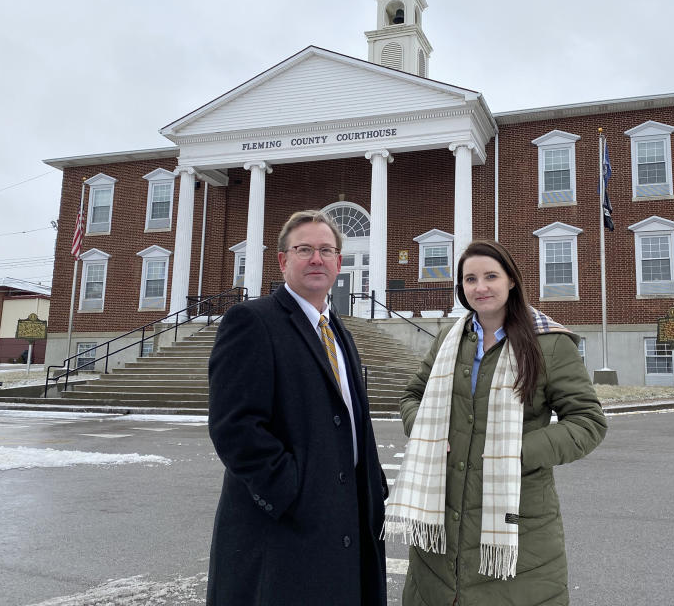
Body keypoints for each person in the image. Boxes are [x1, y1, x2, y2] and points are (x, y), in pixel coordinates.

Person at [386, 240, 607, 605]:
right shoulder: (449, 339)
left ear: (511, 281)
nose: (480, 287)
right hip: (441, 522)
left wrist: (515, 452)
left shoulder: (549, 343)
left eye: (491, 276)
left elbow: (588, 422)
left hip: (520, 522)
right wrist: (426, 433)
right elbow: (413, 397)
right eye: (470, 279)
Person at [207, 210, 388, 606]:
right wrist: (291, 491)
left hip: (346, 520)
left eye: (326, 250)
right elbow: (235, 427)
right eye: (304, 249)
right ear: (282, 260)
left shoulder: (339, 331)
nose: (316, 259)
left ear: (340, 263)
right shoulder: (252, 322)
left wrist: (373, 489)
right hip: (283, 531)